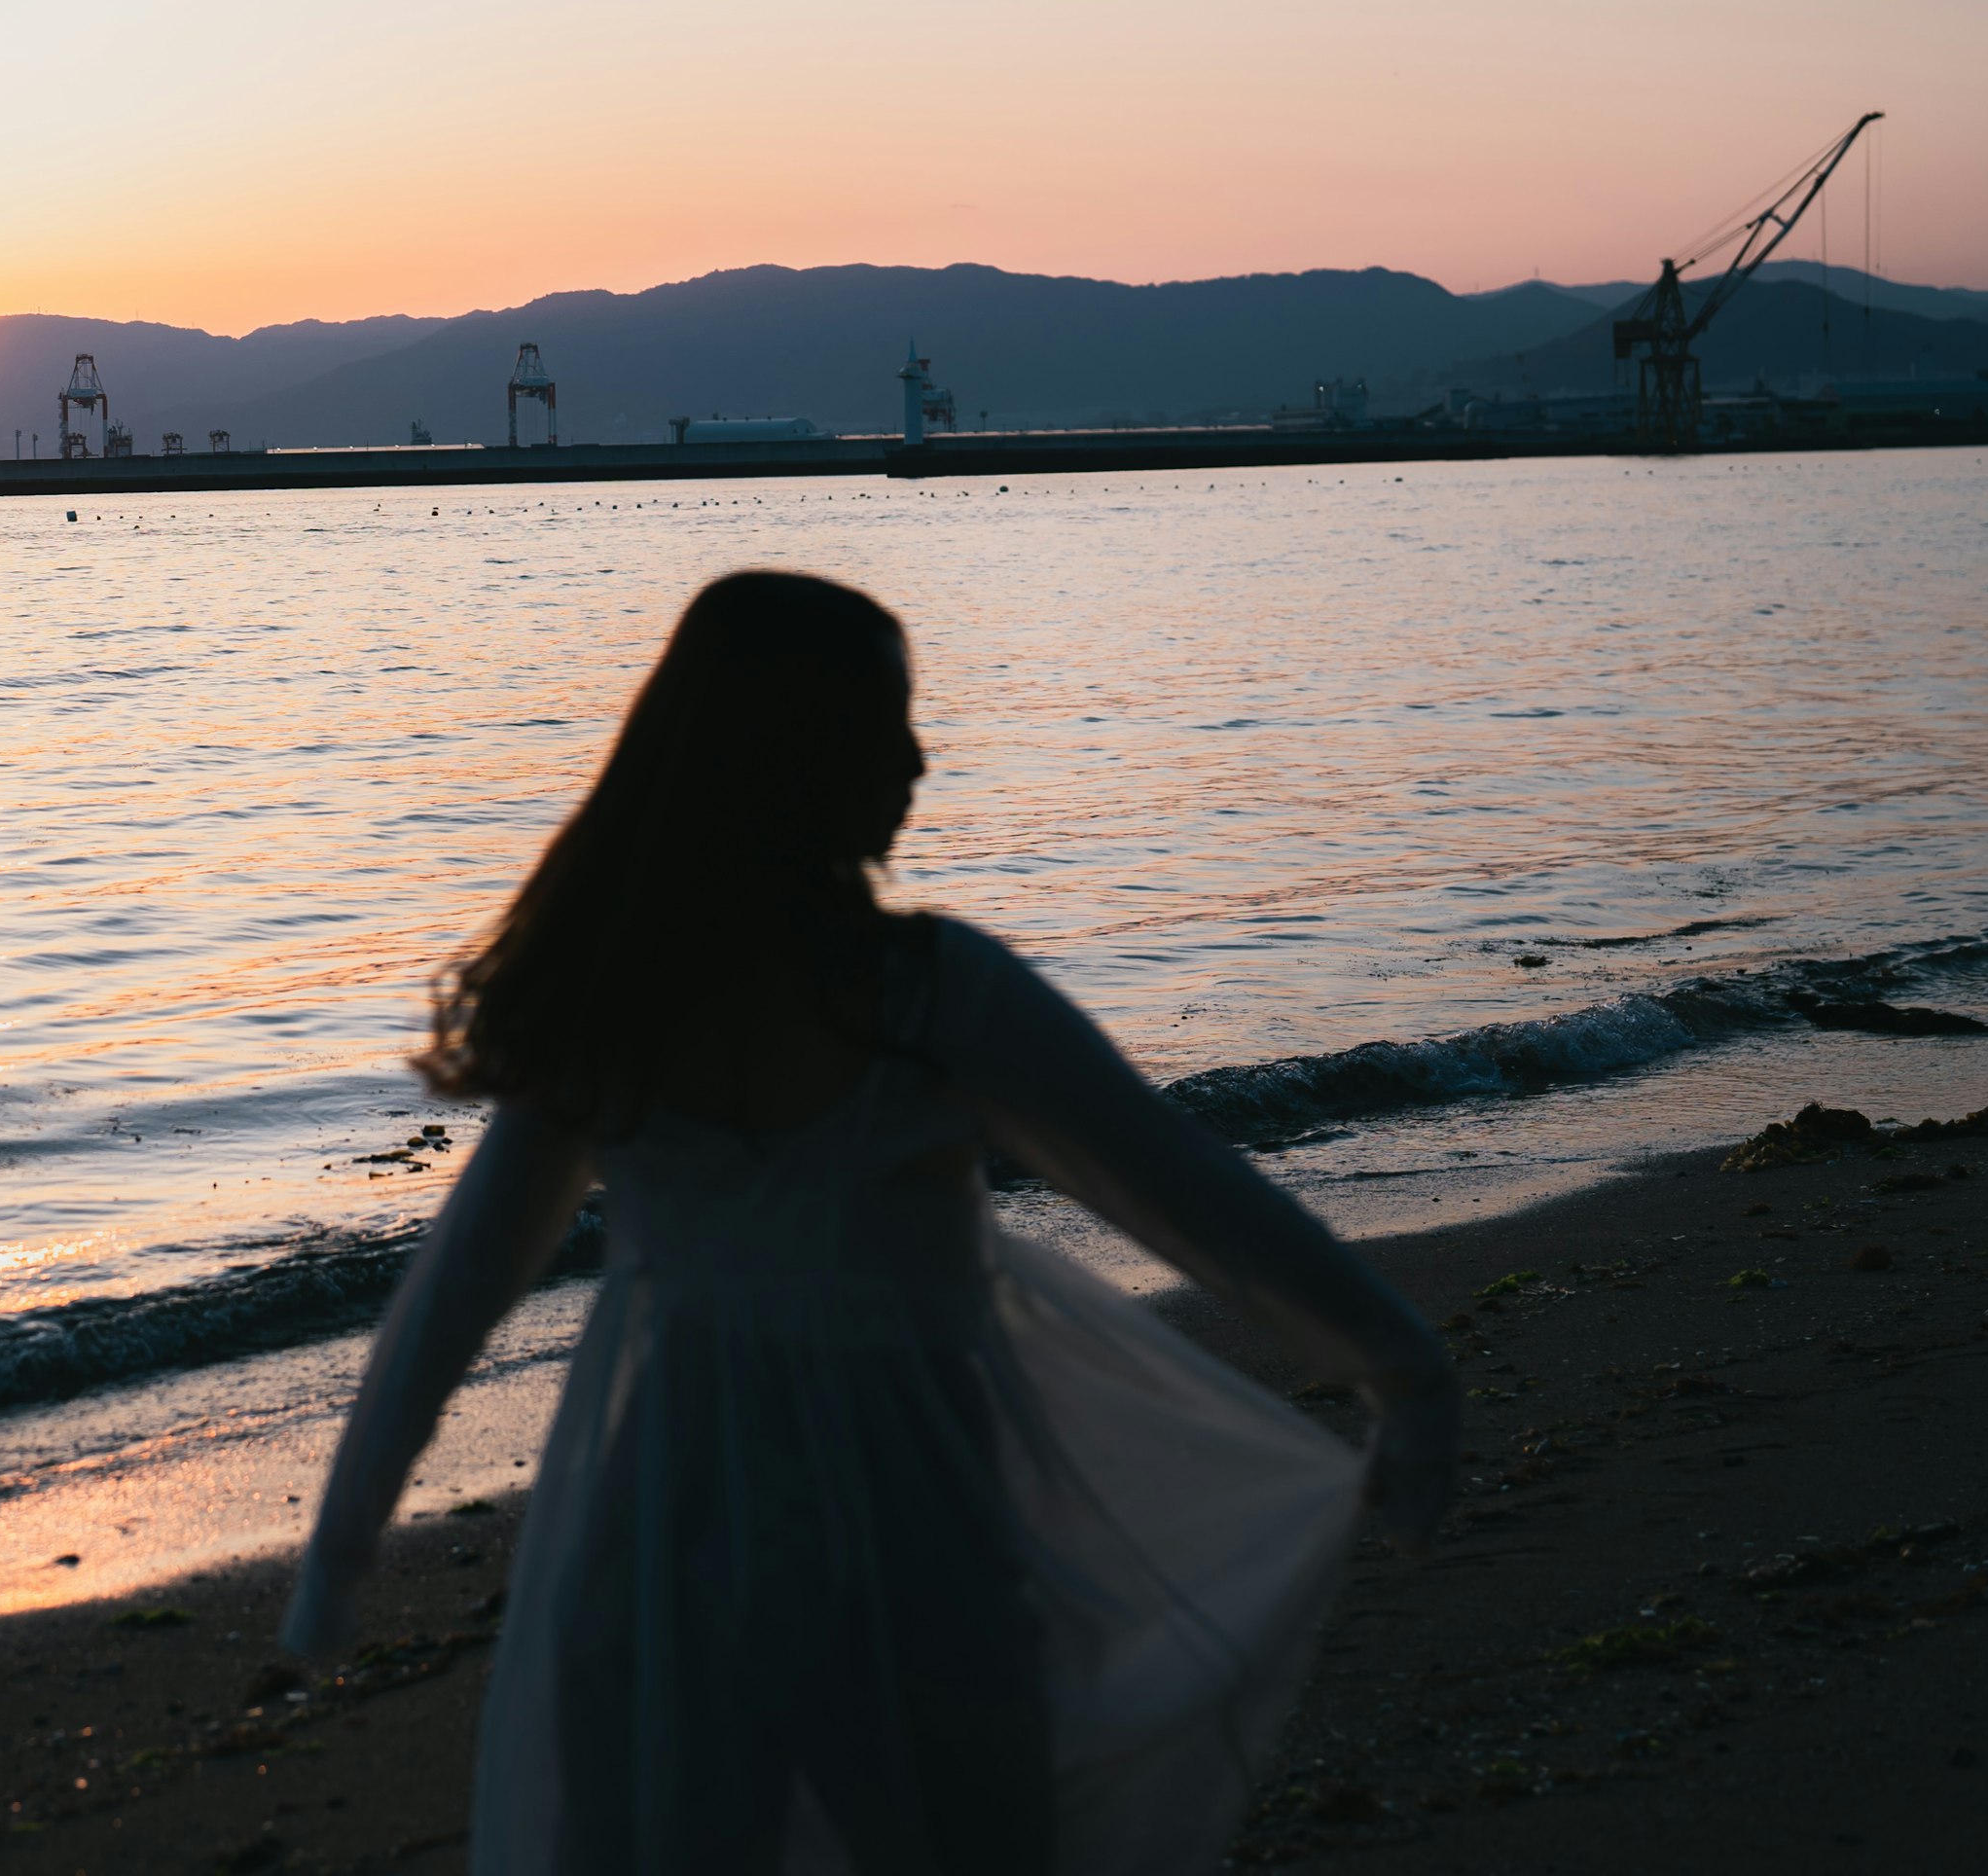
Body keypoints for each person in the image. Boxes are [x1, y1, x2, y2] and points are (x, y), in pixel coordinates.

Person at [280, 571, 1457, 1874]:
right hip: (904, 1537)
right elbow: (1178, 1188)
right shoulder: (931, 996)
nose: (918, 756)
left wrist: (343, 1548)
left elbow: (456, 1291)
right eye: (884, 725)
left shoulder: (616, 1002)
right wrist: (1399, 1365)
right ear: (796, 760)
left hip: (672, 1531)